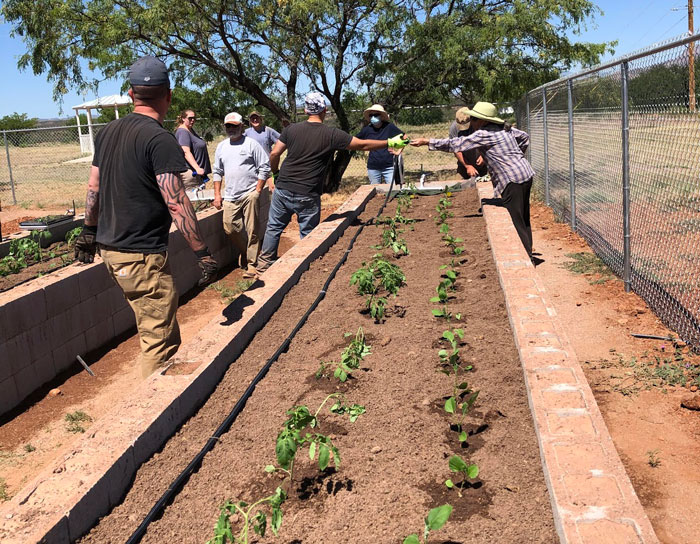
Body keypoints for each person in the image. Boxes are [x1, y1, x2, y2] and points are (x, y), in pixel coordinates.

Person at [73, 56, 218, 378]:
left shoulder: (108, 132)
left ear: (130, 93)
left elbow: (94, 186)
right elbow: (177, 203)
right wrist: (203, 254)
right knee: (161, 341)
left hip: (112, 249)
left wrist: (87, 230)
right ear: (168, 95)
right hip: (140, 255)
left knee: (153, 324)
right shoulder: (159, 139)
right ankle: (148, 413)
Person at [257, 91, 408, 271]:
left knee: (273, 227)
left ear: (305, 110)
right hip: (308, 192)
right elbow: (363, 145)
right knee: (308, 234)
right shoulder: (332, 134)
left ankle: (264, 266)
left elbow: (274, 153)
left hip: (283, 188)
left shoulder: (291, 130)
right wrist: (389, 143)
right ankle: (302, 269)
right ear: (325, 110)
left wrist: (275, 174)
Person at [410, 101, 535, 261]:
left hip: (511, 180)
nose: (473, 122)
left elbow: (456, 144)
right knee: (524, 217)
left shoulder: (483, 134)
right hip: (525, 173)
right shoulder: (504, 129)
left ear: (483, 120)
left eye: (475, 119)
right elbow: (524, 137)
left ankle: (526, 259)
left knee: (516, 220)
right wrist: (516, 157)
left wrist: (427, 141)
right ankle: (529, 252)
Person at [212, 112, 271, 278]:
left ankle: (252, 265)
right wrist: (217, 195)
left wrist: (257, 191)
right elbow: (217, 171)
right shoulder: (222, 146)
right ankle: (245, 252)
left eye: (234, 126)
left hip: (250, 193)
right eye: (228, 126)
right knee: (230, 228)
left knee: (252, 229)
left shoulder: (251, 144)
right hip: (230, 196)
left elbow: (264, 167)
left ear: (241, 126)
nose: (231, 129)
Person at [356, 104, 403, 184]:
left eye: (376, 115)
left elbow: (404, 138)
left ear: (381, 116)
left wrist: (398, 151)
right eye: (371, 115)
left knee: (393, 190)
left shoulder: (389, 127)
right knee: (375, 191)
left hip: (389, 166)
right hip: (373, 167)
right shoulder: (367, 129)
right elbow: (356, 140)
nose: (373, 117)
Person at [175, 109, 212, 189]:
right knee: (195, 201)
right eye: (190, 118)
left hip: (198, 174)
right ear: (183, 118)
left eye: (194, 118)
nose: (192, 120)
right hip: (191, 174)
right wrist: (197, 168)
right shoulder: (183, 132)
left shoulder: (190, 130)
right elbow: (185, 152)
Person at [449, 107, 488, 180]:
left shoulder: (480, 124)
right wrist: (467, 166)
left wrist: (483, 156)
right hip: (464, 164)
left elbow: (488, 140)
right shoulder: (453, 128)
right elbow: (456, 149)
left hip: (483, 163)